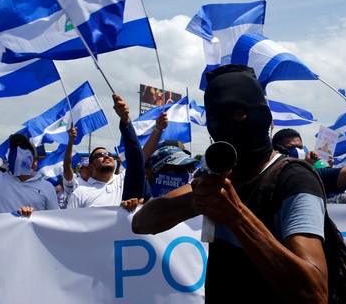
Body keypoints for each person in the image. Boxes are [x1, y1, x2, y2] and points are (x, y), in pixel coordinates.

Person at [132, 64, 330, 303]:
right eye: (215, 121)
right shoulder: (220, 175)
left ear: (263, 117)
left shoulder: (294, 179)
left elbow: (315, 294)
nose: (227, 127)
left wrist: (236, 216)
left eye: (238, 114)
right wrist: (198, 199)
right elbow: (141, 223)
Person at [67, 94, 145, 212]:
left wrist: (125, 120)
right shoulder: (80, 193)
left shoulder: (124, 180)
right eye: (100, 155)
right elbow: (68, 224)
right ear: (91, 166)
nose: (106, 156)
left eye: (108, 154)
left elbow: (137, 158)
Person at [271, 113, 346, 200]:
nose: (298, 152)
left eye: (300, 147)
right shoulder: (265, 174)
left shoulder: (312, 175)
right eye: (291, 148)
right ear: (277, 151)